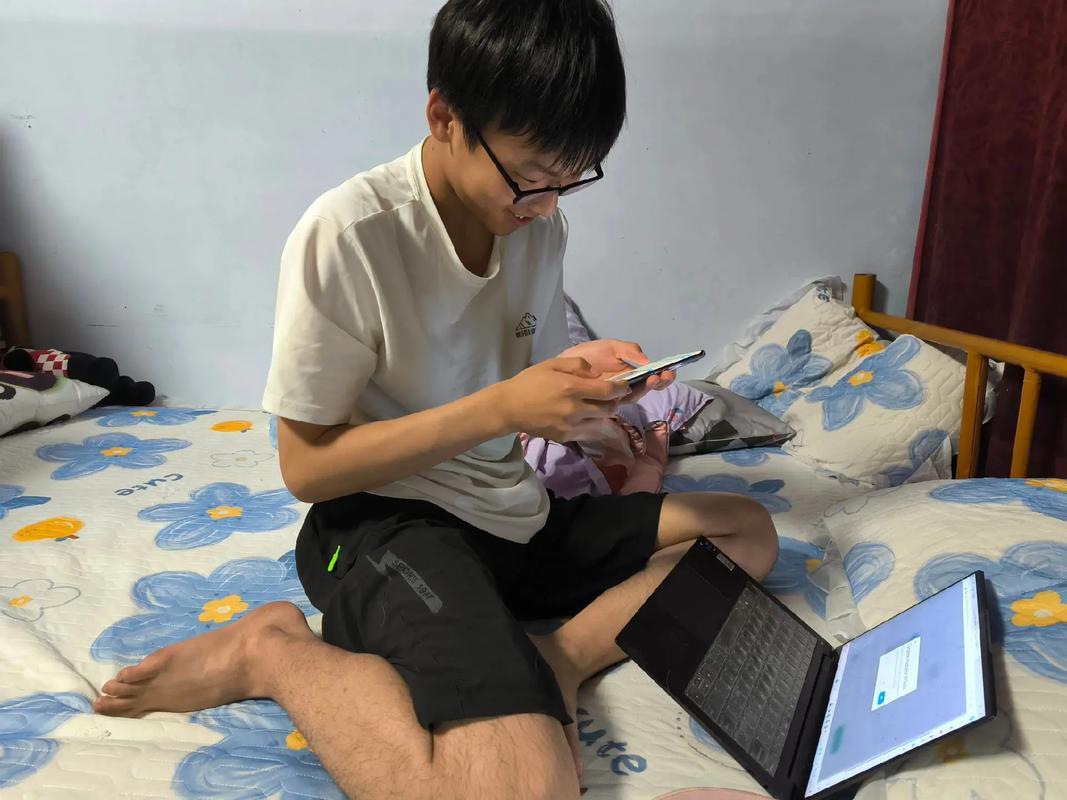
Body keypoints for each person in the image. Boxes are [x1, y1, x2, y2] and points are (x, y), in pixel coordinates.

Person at [93, 2, 779, 797]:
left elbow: (510, 368)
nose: (545, 207)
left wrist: (581, 383)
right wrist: (504, 410)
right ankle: (270, 651)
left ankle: (558, 657)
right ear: (444, 116)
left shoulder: (538, 228)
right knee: (522, 788)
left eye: (571, 181)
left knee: (743, 531)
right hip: (384, 521)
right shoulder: (350, 234)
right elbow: (305, 469)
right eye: (530, 179)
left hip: (509, 512)